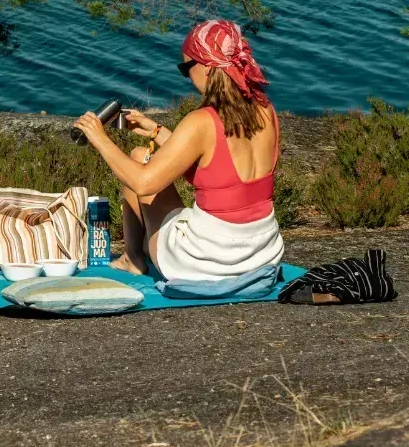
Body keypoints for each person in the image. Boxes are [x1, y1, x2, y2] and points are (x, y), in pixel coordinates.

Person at [74, 19, 283, 280]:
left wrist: (100, 138)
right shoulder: (266, 111)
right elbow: (221, 169)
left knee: (138, 164)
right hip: (261, 255)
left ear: (207, 67)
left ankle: (132, 258)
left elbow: (142, 183)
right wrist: (155, 130)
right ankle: (133, 257)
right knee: (142, 154)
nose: (186, 75)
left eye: (186, 68)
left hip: (207, 261)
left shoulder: (202, 121)